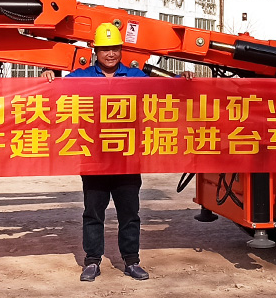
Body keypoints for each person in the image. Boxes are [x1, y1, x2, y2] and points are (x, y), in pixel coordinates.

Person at [42, 22, 191, 282]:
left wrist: (184, 80)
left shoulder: (135, 77)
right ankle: (92, 261)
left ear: (121, 50)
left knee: (129, 214)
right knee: (93, 213)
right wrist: (47, 74)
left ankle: (131, 261)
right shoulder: (82, 77)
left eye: (115, 48)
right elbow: (53, 91)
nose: (110, 54)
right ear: (95, 51)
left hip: (127, 159)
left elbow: (164, 89)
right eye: (105, 49)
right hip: (94, 159)